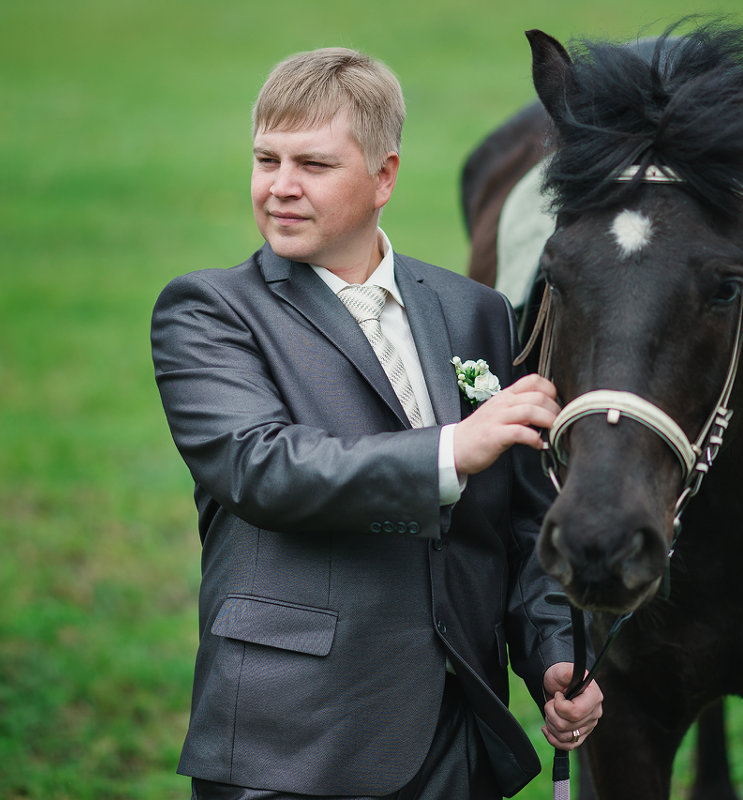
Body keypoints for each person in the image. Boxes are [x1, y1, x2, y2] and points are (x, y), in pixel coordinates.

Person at [150, 46, 603, 800]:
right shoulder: (210, 312)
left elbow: (525, 522)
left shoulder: (475, 312)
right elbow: (264, 469)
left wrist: (553, 651)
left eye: (314, 165)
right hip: (288, 740)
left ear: (385, 175)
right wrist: (454, 448)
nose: (281, 188)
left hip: (453, 734)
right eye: (267, 160)